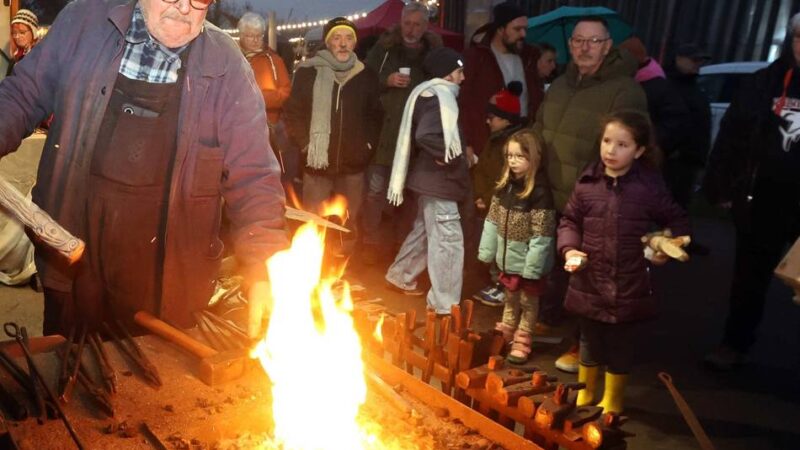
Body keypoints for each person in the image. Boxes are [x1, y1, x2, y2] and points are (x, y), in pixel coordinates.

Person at [0, 0, 289, 337]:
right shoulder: (83, 24)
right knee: (68, 373)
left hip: (168, 284)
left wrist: (266, 266)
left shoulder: (227, 66)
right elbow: (22, 93)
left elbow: (255, 176)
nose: (184, 7)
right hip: (72, 262)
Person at [533, 16, 648, 373]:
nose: (584, 47)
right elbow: (541, 127)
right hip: (550, 192)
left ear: (607, 45)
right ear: (570, 46)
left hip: (592, 200)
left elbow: (629, 145)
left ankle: (579, 345)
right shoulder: (560, 85)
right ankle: (552, 319)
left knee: (587, 278)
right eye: (578, 41)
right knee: (555, 266)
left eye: (593, 41)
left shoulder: (624, 89)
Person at [558, 111, 690, 413]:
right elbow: (569, 220)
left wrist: (668, 244)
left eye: (622, 144)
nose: (610, 150)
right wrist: (569, 249)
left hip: (628, 282)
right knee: (588, 341)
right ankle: (585, 393)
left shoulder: (648, 188)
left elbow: (677, 219)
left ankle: (612, 400)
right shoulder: (587, 182)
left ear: (640, 150)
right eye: (606, 141)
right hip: (588, 280)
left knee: (620, 345)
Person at [702, 13, 800, 371]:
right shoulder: (765, 82)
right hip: (762, 199)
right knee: (748, 279)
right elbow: (732, 135)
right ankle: (734, 343)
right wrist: (722, 183)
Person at [283, 17, 381, 252]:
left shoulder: (365, 75)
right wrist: (306, 144)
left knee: (348, 223)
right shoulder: (308, 73)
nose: (343, 44)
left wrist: (366, 147)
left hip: (353, 165)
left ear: (355, 43)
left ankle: (340, 270)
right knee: (313, 221)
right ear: (328, 42)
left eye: (348, 38)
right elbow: (293, 113)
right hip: (316, 165)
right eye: (337, 38)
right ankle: (313, 271)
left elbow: (375, 116)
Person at [384, 47, 469, 315]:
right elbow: (427, 135)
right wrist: (451, 157)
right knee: (447, 241)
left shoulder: (427, 94)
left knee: (425, 232)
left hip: (428, 181)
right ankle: (445, 305)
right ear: (447, 74)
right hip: (439, 182)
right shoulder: (439, 97)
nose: (463, 78)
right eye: (459, 71)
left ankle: (400, 274)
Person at [362, 2, 442, 264]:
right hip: (383, 131)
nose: (412, 29)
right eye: (408, 23)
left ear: (426, 26)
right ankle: (370, 243)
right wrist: (387, 80)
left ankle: (399, 245)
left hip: (415, 137)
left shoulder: (433, 53)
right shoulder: (384, 48)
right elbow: (364, 79)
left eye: (418, 24)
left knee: (408, 194)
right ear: (401, 22)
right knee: (375, 191)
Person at [478, 130, 555, 364]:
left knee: (528, 302)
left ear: (533, 159)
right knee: (510, 297)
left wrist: (533, 268)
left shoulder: (539, 192)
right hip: (508, 259)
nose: (512, 161)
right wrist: (487, 251)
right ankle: (508, 329)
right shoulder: (504, 188)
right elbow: (492, 222)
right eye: (509, 156)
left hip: (527, 262)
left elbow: (542, 234)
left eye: (519, 156)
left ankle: (523, 336)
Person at [460, 1, 543, 160]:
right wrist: (466, 142)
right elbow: (463, 102)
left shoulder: (530, 57)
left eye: (525, 29)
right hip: (486, 143)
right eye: (517, 29)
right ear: (500, 29)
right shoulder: (477, 58)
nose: (523, 34)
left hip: (522, 142)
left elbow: (536, 99)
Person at [470, 81, 525, 306]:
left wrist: (488, 197)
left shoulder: (513, 145)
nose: (487, 121)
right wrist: (479, 195)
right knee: (492, 246)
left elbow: (507, 179)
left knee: (505, 248)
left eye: (492, 117)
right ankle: (496, 282)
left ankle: (504, 288)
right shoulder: (494, 139)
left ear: (505, 119)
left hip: (503, 206)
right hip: (488, 202)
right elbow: (483, 170)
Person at [236, 12, 294, 186]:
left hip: (270, 127)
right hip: (238, 129)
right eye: (250, 36)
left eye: (258, 35)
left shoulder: (273, 60)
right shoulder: (232, 59)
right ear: (241, 35)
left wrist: (259, 98)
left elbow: (285, 92)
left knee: (271, 174)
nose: (255, 40)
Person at [664, 43, 712, 208]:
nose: (698, 64)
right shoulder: (666, 87)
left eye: (699, 60)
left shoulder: (695, 88)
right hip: (670, 161)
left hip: (688, 162)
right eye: (694, 59)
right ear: (678, 59)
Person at [6, 9, 39, 77]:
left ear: (33, 32)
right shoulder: (15, 57)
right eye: (14, 33)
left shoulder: (39, 57)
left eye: (22, 32)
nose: (17, 37)